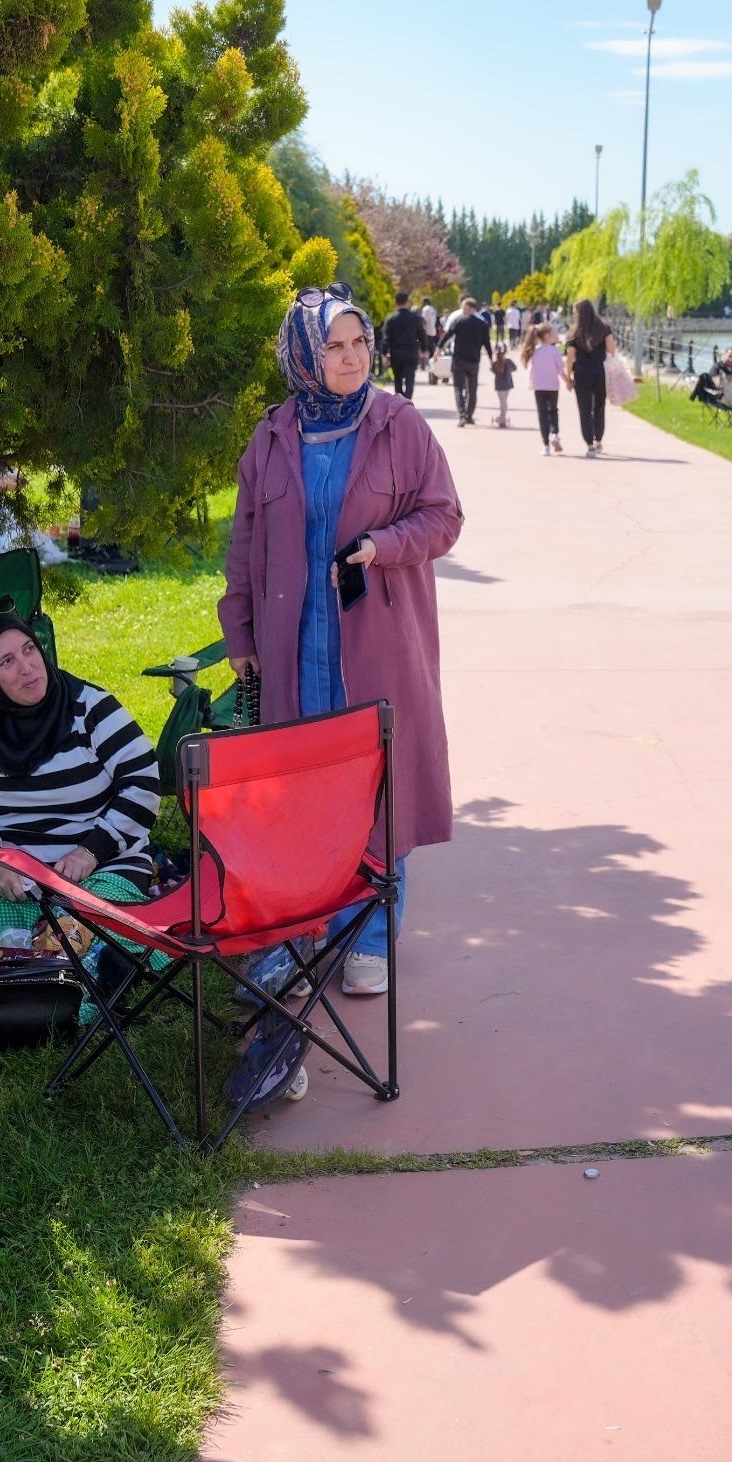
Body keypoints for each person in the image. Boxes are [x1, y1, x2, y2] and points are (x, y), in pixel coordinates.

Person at [220, 286, 464, 995]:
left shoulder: (400, 425)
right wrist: (239, 630)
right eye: (334, 346)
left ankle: (372, 938)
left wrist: (384, 545)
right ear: (304, 355)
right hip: (295, 647)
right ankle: (303, 935)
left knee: (378, 786)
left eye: (359, 342)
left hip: (377, 645)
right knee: (301, 791)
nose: (352, 357)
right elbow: (244, 543)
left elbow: (444, 517)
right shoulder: (271, 438)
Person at [0, 606, 162, 955]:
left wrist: (91, 851)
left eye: (29, 649)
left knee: (99, 927)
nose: (27, 667)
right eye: (7, 662)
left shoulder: (91, 707)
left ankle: (31, 957)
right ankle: (34, 952)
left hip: (99, 875)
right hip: (10, 885)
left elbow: (143, 784)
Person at [565, 299, 616, 457]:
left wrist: (568, 376)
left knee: (584, 409)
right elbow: (611, 349)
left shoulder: (574, 333)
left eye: (575, 312)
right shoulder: (604, 328)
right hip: (600, 372)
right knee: (599, 407)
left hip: (581, 373)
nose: (574, 314)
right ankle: (598, 440)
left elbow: (570, 357)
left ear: (579, 313)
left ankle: (589, 445)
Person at [440, 298, 497, 426]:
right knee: (472, 390)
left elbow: (447, 336)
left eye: (463, 307)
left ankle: (462, 415)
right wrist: (491, 358)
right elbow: (487, 343)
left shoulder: (458, 321)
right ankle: (469, 415)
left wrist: (438, 350)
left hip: (458, 359)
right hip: (474, 361)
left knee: (458, 388)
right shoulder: (482, 323)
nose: (462, 309)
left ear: (469, 307)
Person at [524, 322, 566, 455]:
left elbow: (531, 369)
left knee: (542, 414)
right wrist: (568, 382)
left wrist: (531, 383)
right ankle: (555, 434)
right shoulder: (554, 351)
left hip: (539, 386)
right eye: (553, 332)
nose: (556, 334)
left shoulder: (534, 351)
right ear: (548, 335)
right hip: (553, 386)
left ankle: (546, 445)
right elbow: (560, 370)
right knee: (553, 410)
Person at [379, 291, 429, 402]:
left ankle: (400, 401)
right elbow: (422, 334)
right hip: (411, 352)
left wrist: (384, 353)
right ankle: (408, 400)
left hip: (396, 352)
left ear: (395, 302)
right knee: (410, 378)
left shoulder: (391, 318)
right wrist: (424, 348)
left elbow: (386, 337)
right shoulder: (414, 318)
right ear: (407, 302)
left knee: (398, 378)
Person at [489, 344, 518, 429]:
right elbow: (515, 368)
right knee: (504, 402)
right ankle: (502, 418)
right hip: (507, 384)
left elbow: (492, 370)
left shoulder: (495, 363)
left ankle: (502, 418)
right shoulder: (508, 361)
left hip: (499, 385)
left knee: (502, 402)